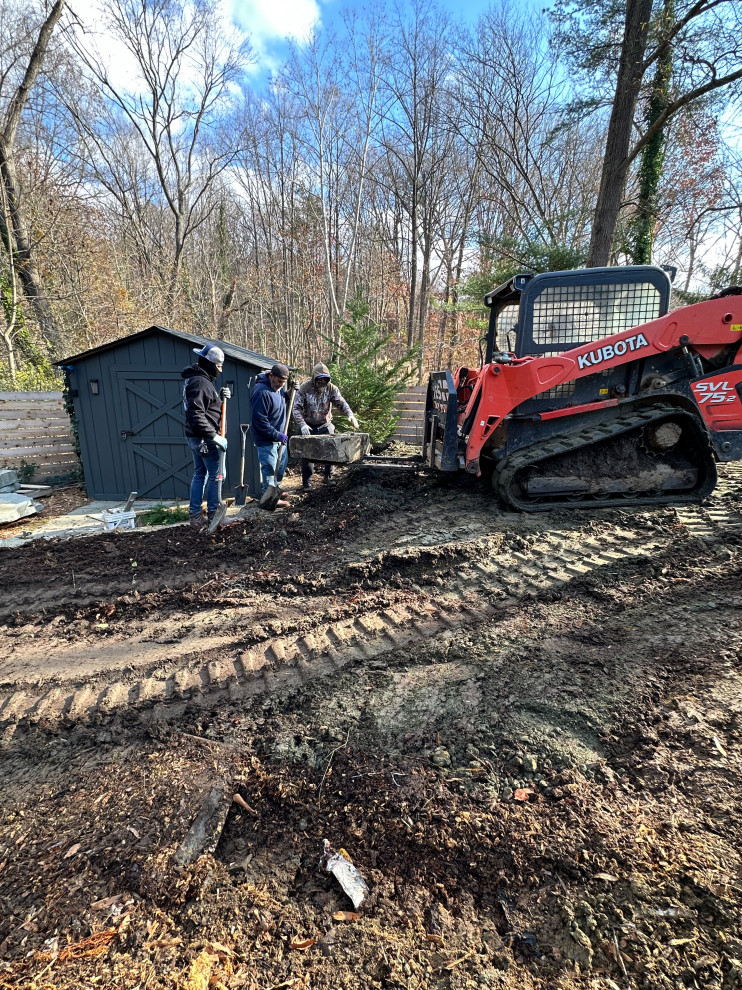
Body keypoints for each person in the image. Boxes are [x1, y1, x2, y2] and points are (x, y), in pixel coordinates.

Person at [182, 344, 230, 532]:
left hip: (197, 437)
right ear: (210, 363)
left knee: (199, 474)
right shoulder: (200, 383)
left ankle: (195, 516)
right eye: (218, 366)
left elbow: (206, 406)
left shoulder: (197, 380)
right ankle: (212, 513)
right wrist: (213, 436)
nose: (221, 370)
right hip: (204, 438)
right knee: (217, 476)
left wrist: (219, 397)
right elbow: (196, 413)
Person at [293, 363, 359, 492]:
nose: (322, 382)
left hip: (325, 424)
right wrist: (302, 425)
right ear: (314, 378)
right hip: (309, 425)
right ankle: (307, 482)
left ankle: (328, 476)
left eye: (325, 379)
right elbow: (296, 408)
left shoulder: (331, 388)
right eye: (320, 379)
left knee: (332, 449)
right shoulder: (305, 388)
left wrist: (350, 414)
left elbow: (341, 402)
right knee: (307, 453)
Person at [250, 362, 291, 506]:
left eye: (284, 382)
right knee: (269, 469)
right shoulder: (261, 392)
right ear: (271, 376)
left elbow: (279, 400)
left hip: (279, 436)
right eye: (279, 381)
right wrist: (276, 434)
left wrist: (289, 393)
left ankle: (275, 490)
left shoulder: (277, 388)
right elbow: (259, 422)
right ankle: (267, 498)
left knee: (280, 467)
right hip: (266, 439)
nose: (281, 385)